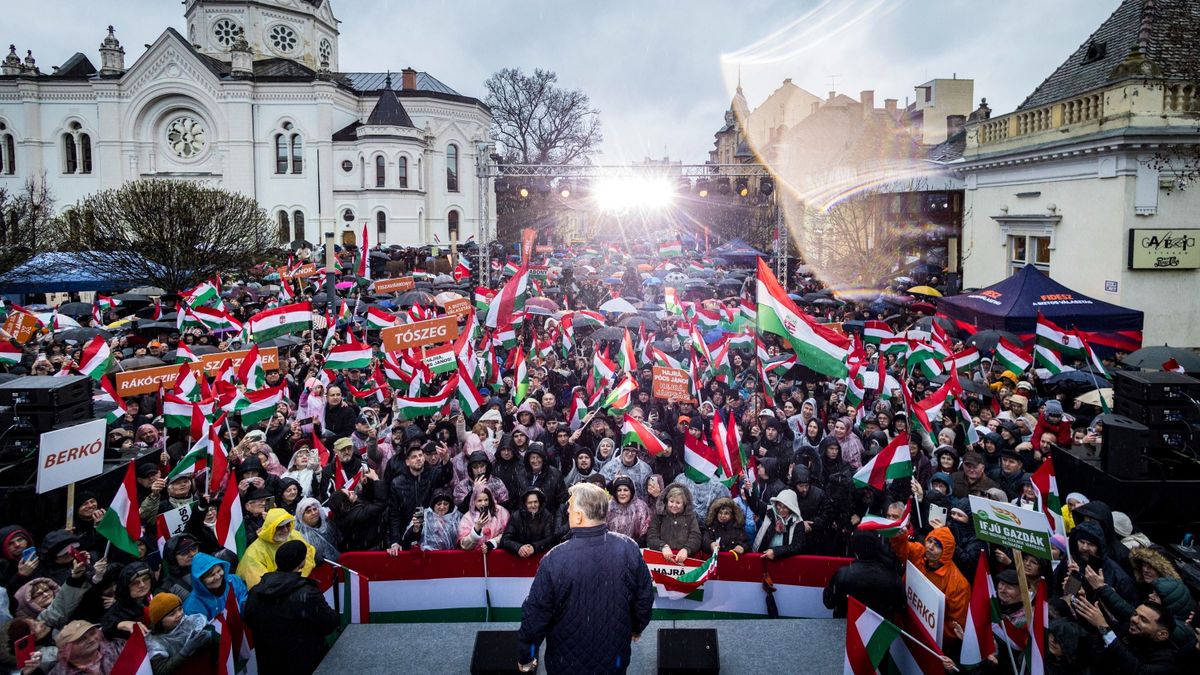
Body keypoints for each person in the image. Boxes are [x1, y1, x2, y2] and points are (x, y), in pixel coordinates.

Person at [516, 482, 655, 673]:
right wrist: (636, 627)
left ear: (579, 516)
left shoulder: (555, 558)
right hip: (613, 661)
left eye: (570, 508)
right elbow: (644, 599)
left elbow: (536, 615)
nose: (568, 513)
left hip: (566, 664)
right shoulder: (629, 548)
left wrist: (527, 656)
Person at [243, 541, 340, 675]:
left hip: (270, 662)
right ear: (302, 562)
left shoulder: (255, 591)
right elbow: (329, 622)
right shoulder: (307, 593)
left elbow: (250, 619)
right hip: (304, 662)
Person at [823, 531, 905, 619]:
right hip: (879, 628)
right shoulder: (891, 576)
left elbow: (829, 602)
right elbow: (901, 607)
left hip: (848, 626)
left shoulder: (843, 574)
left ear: (855, 549)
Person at [237, 508, 317, 588]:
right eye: (280, 527)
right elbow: (263, 586)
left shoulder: (293, 535)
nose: (285, 530)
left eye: (288, 524)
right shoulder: (253, 554)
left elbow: (308, 553)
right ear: (271, 528)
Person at [145, 593, 213, 675]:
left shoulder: (193, 621)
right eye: (172, 614)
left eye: (180, 609)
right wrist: (186, 650)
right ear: (159, 621)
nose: (179, 614)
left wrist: (208, 637)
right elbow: (161, 671)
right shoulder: (154, 643)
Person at [183, 552, 249, 621]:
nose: (218, 577)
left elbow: (244, 600)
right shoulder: (192, 606)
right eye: (211, 575)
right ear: (200, 581)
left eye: (219, 571)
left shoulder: (234, 581)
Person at [647, 483, 702, 566]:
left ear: (684, 504)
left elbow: (696, 537)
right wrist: (662, 546)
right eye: (671, 501)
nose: (674, 505)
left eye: (678, 503)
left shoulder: (690, 517)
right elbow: (652, 535)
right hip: (661, 558)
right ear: (667, 501)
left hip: (685, 558)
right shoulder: (659, 516)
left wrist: (687, 549)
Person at [500, 488, 562, 558]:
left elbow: (550, 540)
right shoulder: (516, 516)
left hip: (539, 558)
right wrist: (518, 548)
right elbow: (505, 540)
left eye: (536, 502)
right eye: (530, 503)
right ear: (524, 504)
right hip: (518, 559)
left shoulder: (546, 515)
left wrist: (534, 547)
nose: (533, 505)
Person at [47, 620, 120, 675]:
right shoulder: (59, 673)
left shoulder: (117, 646)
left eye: (92, 633)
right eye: (81, 639)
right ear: (66, 649)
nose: (91, 640)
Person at [751, 489, 806, 560]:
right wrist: (749, 490)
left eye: (785, 507)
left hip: (785, 559)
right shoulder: (770, 512)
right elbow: (755, 505)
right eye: (779, 505)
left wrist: (776, 552)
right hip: (765, 556)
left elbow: (797, 546)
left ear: (791, 508)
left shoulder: (797, 522)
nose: (781, 510)